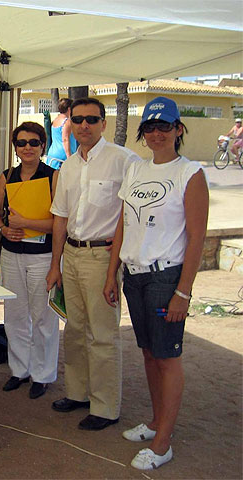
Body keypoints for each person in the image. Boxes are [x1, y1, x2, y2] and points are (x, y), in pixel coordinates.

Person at [103, 97, 208, 470]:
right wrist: (112, 271)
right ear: (143, 133)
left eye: (165, 126)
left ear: (179, 129)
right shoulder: (136, 171)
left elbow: (197, 237)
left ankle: (164, 442)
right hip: (134, 275)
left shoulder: (190, 173)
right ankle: (155, 422)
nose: (157, 133)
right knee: (148, 352)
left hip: (167, 277)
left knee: (167, 357)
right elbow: (123, 223)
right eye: (150, 127)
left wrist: (183, 291)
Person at [46, 97, 140, 430]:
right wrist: (55, 264)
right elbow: (60, 217)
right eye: (79, 119)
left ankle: (104, 407)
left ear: (103, 123)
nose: (84, 125)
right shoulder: (68, 165)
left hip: (102, 258)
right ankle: (78, 393)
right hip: (70, 255)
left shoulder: (124, 160)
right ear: (70, 122)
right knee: (73, 330)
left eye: (92, 119)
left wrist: (114, 269)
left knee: (102, 335)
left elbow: (130, 215)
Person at [0, 122, 59, 398]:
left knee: (43, 317)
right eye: (21, 142)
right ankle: (20, 370)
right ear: (15, 147)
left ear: (42, 145)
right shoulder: (7, 176)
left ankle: (42, 374)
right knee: (15, 315)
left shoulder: (53, 176)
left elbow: (61, 223)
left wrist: (27, 222)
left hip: (43, 255)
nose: (27, 147)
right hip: (12, 253)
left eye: (33, 142)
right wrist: (4, 228)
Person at [46, 98, 77, 170]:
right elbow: (65, 139)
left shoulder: (55, 120)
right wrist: (69, 158)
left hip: (53, 154)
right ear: (69, 109)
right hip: (63, 155)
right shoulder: (67, 122)